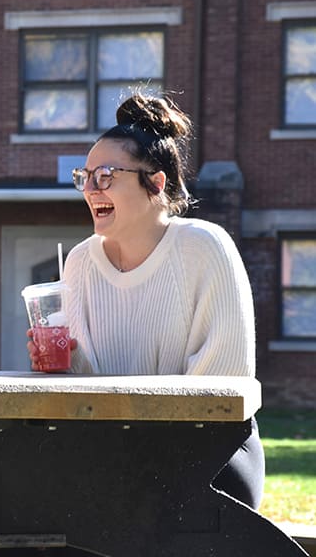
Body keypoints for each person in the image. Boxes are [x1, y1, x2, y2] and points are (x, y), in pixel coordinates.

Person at [33, 92, 263, 510]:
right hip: (111, 455)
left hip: (208, 456)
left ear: (155, 183)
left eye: (105, 175)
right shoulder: (80, 263)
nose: (90, 189)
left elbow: (221, 391)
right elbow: (82, 391)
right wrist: (57, 362)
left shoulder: (204, 248)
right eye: (84, 176)